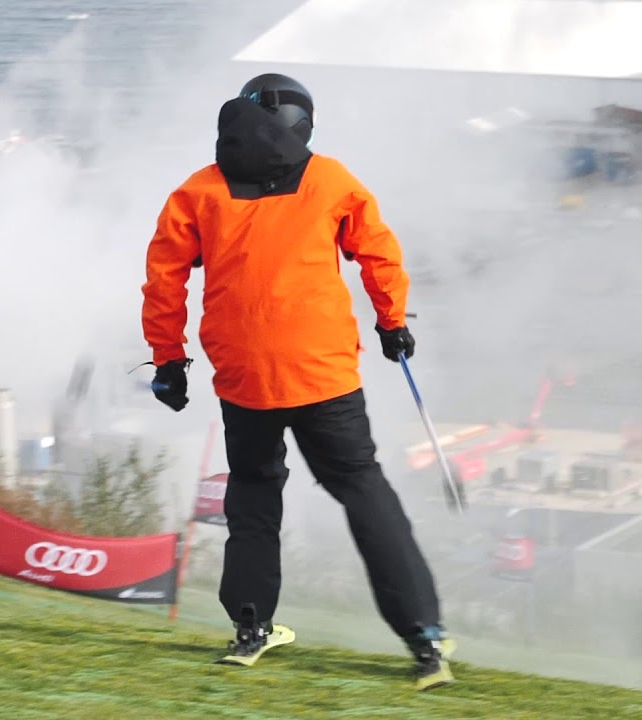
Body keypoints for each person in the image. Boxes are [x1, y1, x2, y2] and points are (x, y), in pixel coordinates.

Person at [140, 73, 455, 690]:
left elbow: (164, 280)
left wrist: (169, 362)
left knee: (253, 493)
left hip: (243, 375)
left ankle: (251, 626)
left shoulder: (198, 191)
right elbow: (379, 253)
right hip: (322, 373)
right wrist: (392, 322)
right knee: (362, 489)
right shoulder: (329, 179)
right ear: (301, 126)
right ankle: (423, 635)